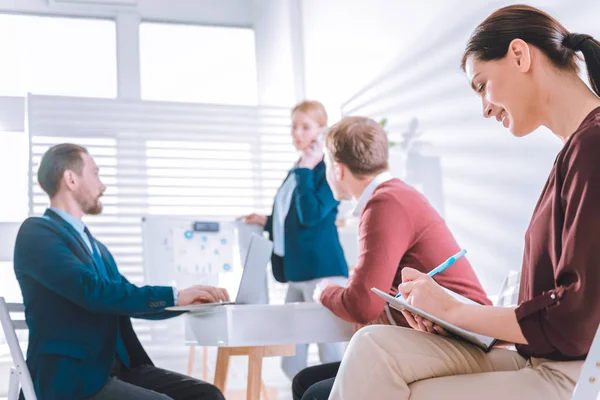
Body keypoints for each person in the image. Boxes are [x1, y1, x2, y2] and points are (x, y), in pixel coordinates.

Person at [328, 5, 600, 399]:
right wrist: (449, 313)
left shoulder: (592, 147)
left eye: (481, 85)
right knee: (373, 346)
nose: (485, 108)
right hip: (544, 358)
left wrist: (456, 311)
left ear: (520, 56)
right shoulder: (575, 151)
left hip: (575, 374)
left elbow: (576, 318)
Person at [292, 116, 491, 400]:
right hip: (442, 337)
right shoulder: (393, 195)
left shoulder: (385, 203)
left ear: (337, 169)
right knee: (306, 381)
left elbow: (362, 304)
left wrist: (325, 292)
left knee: (313, 391)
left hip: (461, 341)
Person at [14, 144, 230, 400]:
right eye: (95, 174)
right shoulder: (37, 233)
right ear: (71, 179)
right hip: (73, 378)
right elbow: (91, 291)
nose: (102, 186)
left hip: (116, 369)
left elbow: (124, 299)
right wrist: (174, 295)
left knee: (207, 395)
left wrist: (187, 302)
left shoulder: (97, 248)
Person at [239, 100, 348, 379]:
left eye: (305, 126)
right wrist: (265, 220)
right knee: (291, 360)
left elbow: (312, 215)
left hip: (323, 271)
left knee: (332, 355)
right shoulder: (298, 167)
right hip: (297, 272)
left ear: (321, 131)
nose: (297, 133)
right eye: (294, 127)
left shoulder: (327, 167)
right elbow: (293, 215)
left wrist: (307, 168)